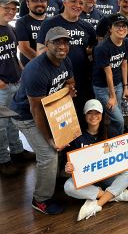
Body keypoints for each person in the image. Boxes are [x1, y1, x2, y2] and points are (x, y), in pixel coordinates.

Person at [10, 27, 76, 214]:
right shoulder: (35, 70)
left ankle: (55, 179)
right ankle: (40, 199)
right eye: (57, 42)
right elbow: (35, 110)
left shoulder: (65, 60)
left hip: (50, 110)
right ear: (46, 45)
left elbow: (70, 82)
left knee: (64, 142)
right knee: (48, 154)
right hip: (26, 116)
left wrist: (70, 89)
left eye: (65, 42)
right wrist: (49, 139)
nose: (62, 46)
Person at [64, 99, 128, 221]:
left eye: (97, 113)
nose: (93, 116)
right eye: (90, 113)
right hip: (87, 179)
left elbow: (120, 156)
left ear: (102, 115)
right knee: (68, 187)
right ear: (84, 115)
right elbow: (71, 163)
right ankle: (112, 196)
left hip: (107, 176)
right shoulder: (76, 136)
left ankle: (97, 204)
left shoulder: (111, 132)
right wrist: (69, 168)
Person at [36, 0, 97, 118]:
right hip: (59, 80)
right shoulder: (49, 23)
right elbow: (40, 50)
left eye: (81, 2)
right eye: (73, 1)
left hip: (82, 79)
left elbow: (92, 48)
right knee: (62, 116)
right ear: (64, 2)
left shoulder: (87, 26)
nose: (77, 5)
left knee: (82, 113)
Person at [0, 0, 34, 177]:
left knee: (13, 122)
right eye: (6, 8)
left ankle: (17, 152)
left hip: (15, 82)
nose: (11, 12)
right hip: (2, 87)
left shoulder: (11, 29)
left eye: (13, 9)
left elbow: (13, 56)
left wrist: (22, 73)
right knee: (0, 126)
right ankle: (3, 160)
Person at [92, 14, 128, 137]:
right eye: (117, 26)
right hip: (102, 88)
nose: (121, 29)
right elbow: (108, 73)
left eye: (124, 26)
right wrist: (112, 97)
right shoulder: (102, 48)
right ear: (110, 29)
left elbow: (124, 65)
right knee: (119, 119)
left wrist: (125, 87)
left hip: (118, 84)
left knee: (115, 118)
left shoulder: (126, 43)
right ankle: (118, 141)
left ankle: (113, 139)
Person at [15, 0, 47, 67]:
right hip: (32, 67)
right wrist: (44, 64)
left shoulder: (51, 21)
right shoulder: (21, 22)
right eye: (34, 1)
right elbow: (24, 48)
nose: (39, 3)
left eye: (42, 0)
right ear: (27, 4)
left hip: (52, 66)